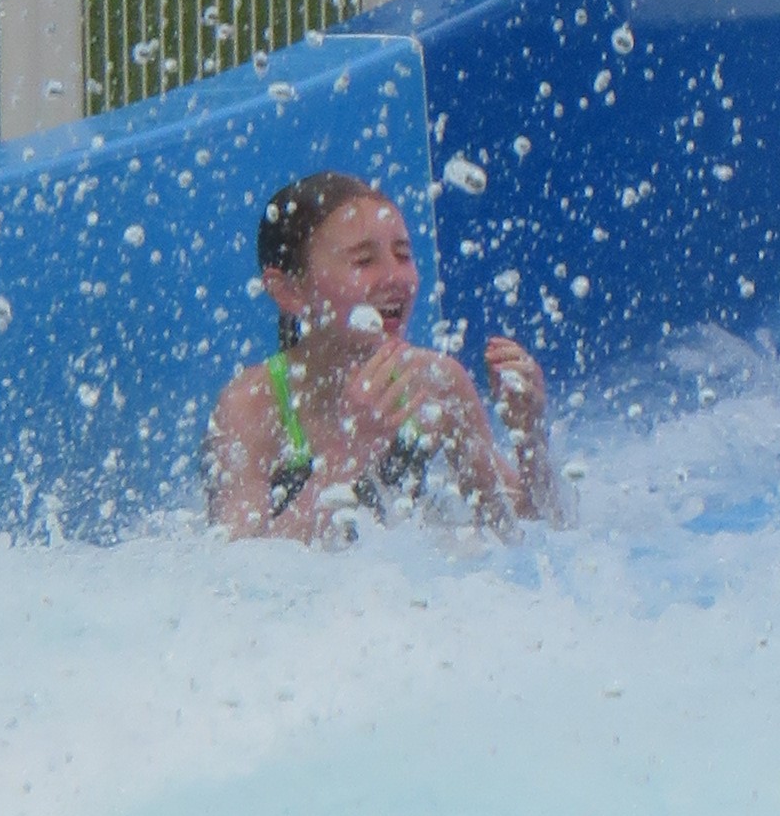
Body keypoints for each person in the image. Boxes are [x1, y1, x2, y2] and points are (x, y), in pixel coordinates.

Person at [205, 169, 561, 542]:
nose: (396, 278)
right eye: (364, 261)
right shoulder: (252, 408)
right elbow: (239, 574)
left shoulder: (436, 384)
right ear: (290, 290)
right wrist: (347, 451)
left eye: (403, 255)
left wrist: (530, 438)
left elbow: (521, 531)